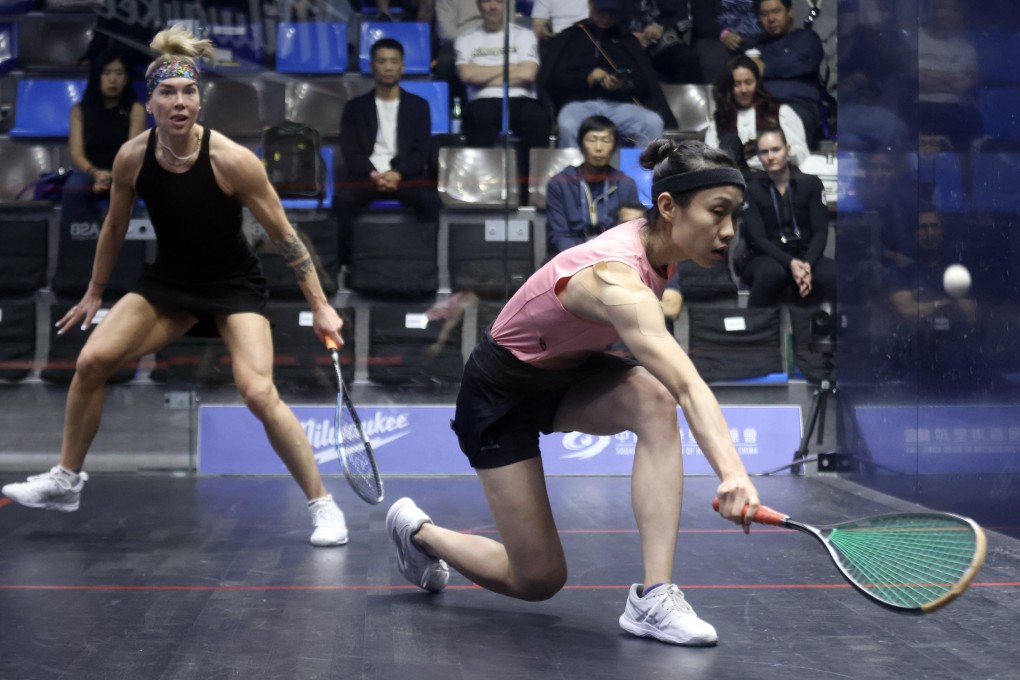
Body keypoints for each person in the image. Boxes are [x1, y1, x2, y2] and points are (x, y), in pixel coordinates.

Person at [385, 138, 762, 647]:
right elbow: (689, 384)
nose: (729, 231)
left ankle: (654, 597)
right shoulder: (617, 279)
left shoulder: (658, 249)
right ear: (669, 208)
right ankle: (419, 532)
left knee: (653, 401)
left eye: (735, 215)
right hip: (500, 392)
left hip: (568, 374)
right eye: (718, 213)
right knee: (538, 579)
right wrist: (734, 475)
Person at [1, 25, 350, 548]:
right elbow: (115, 227)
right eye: (168, 92)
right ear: (152, 99)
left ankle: (323, 505)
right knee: (92, 361)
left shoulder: (233, 161)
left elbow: (285, 237)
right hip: (169, 282)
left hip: (232, 285)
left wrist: (321, 307)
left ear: (200, 100)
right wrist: (95, 291)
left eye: (189, 91)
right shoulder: (131, 158)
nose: (179, 101)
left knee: (258, 391)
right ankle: (66, 480)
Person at [334, 37, 440, 268]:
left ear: (402, 66)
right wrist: (375, 175)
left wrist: (397, 174)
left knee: (430, 201)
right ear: (372, 65)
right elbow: (351, 153)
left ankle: (424, 263)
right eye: (382, 61)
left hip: (405, 177)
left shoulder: (418, 106)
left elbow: (420, 153)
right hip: (366, 177)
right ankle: (348, 266)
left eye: (394, 61)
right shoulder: (354, 108)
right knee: (342, 200)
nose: (388, 67)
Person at [537, 0, 677, 149]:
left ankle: (638, 172)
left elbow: (645, 84)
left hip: (620, 105)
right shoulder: (570, 37)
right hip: (579, 105)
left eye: (612, 13)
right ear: (591, 6)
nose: (606, 17)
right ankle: (573, 172)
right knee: (568, 123)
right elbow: (552, 82)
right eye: (602, 11)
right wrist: (587, 78)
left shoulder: (626, 39)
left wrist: (624, 84)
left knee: (652, 122)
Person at [454, 0, 550, 192]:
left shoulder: (523, 35)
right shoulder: (465, 39)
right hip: (483, 101)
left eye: (498, 1)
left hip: (522, 99)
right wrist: (513, 68)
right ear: (479, 5)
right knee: (479, 118)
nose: (492, 6)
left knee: (537, 118)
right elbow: (466, 75)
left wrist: (481, 72)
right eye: (487, 1)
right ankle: (481, 190)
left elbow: (528, 74)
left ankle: (529, 191)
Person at [737, 127, 835, 309]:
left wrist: (807, 265)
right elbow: (758, 239)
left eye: (776, 149)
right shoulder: (752, 190)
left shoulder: (811, 184)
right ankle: (755, 331)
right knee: (770, 273)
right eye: (764, 152)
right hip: (766, 256)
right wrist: (790, 263)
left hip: (806, 253)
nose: (770, 157)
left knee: (834, 275)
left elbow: (820, 232)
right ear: (758, 156)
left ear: (788, 150)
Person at [61, 51, 147, 238]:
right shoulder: (79, 110)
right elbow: (77, 154)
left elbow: (131, 153)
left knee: (128, 189)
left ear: (127, 79)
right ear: (97, 76)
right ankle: (77, 249)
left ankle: (126, 251)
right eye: (107, 73)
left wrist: (112, 176)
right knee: (74, 187)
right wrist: (97, 174)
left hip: (124, 170)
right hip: (89, 170)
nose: (113, 80)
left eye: (119, 73)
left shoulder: (135, 109)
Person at [544, 115, 639, 257]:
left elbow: (630, 234)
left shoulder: (625, 184)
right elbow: (559, 235)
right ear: (581, 145)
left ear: (614, 147)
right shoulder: (559, 183)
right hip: (569, 259)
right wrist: (585, 261)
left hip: (613, 258)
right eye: (592, 140)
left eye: (606, 141)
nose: (599, 148)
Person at [704, 54, 807, 173]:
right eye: (737, 84)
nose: (744, 90)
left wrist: (777, 152)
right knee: (730, 140)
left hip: (773, 176)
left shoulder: (780, 112)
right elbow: (709, 160)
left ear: (757, 83)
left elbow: (801, 153)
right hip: (737, 179)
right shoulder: (721, 118)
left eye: (748, 82)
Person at [750, 0, 824, 148]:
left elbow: (803, 64)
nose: (771, 19)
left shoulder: (807, 38)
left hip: (798, 105)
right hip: (762, 106)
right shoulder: (756, 47)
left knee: (780, 127)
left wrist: (764, 67)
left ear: (790, 12)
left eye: (776, 11)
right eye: (764, 14)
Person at [917, 0, 983, 151]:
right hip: (920, 106)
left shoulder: (967, 48)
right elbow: (917, 79)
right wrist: (952, 79)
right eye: (942, 8)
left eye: (954, 9)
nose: (947, 14)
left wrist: (929, 74)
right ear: (931, 11)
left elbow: (965, 86)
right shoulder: (916, 39)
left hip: (955, 111)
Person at [623, 0, 700, 84]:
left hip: (665, 34)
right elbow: (610, 18)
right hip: (626, 40)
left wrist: (661, 27)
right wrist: (631, 35)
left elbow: (686, 20)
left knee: (687, 58)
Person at [691, 0, 762, 85]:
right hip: (716, 37)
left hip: (759, 37)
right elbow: (701, 17)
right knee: (713, 60)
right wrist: (723, 35)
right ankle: (718, 96)